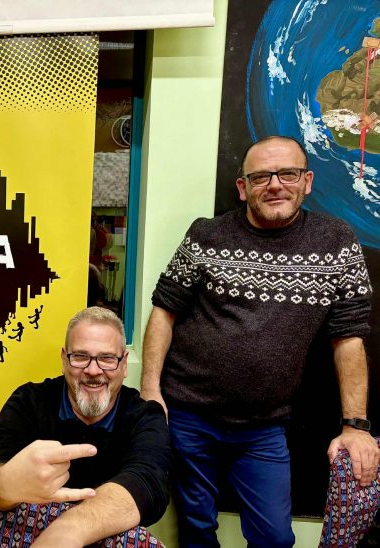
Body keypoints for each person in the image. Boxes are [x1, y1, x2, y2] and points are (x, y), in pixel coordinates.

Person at [140, 135, 378, 547]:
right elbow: (164, 310)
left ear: (307, 181)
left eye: (288, 174)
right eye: (261, 176)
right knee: (196, 529)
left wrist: (355, 425)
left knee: (274, 538)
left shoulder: (337, 242)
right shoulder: (206, 235)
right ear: (243, 187)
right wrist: (150, 389)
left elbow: (349, 338)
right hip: (189, 416)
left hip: (264, 426)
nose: (275, 185)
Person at [0, 306, 170, 547]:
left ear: (123, 364)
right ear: (64, 359)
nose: (93, 370)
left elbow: (148, 484)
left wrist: (66, 533)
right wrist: (6, 483)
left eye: (107, 359)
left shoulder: (146, 416)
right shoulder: (28, 402)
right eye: (80, 356)